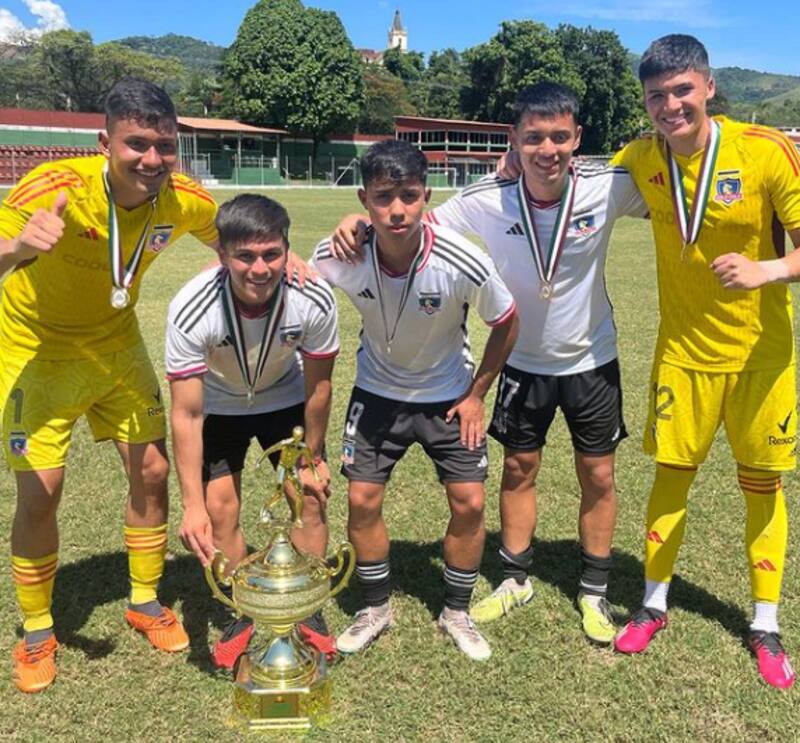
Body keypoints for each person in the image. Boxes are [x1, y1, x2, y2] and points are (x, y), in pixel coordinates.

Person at [331, 83, 647, 644]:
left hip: (593, 358)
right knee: (519, 470)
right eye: (533, 138)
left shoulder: (610, 186)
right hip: (520, 364)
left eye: (558, 137)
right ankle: (514, 577)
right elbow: (409, 217)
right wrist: (356, 224)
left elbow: (680, 202)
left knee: (597, 474)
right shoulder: (485, 197)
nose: (546, 149)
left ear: (577, 138)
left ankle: (594, 591)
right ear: (514, 141)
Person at [0, 79, 219, 693]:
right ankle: (38, 630)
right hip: (37, 350)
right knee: (41, 492)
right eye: (137, 144)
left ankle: (144, 601)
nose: (152, 160)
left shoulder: (179, 197)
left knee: (152, 472)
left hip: (117, 348)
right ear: (105, 142)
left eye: (165, 146)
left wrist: (280, 258)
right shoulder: (55, 188)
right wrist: (17, 247)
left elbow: (232, 229)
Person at [611, 34, 800, 690]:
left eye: (681, 91)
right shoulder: (640, 156)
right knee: (672, 477)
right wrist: (511, 168)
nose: (670, 106)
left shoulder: (764, 150)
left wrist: (767, 268)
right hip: (683, 356)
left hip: (761, 357)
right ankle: (653, 603)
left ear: (709, 87)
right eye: (657, 96)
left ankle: (766, 623)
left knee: (762, 486)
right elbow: (566, 181)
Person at [313, 139, 518, 660]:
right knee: (361, 500)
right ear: (364, 199)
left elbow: (506, 320)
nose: (397, 209)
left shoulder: (461, 259)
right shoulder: (344, 253)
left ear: (426, 195)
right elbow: (295, 277)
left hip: (449, 398)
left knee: (469, 502)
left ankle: (456, 610)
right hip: (376, 396)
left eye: (408, 195)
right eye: (383, 197)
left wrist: (477, 396)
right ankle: (375, 606)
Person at [166, 194, 339, 669]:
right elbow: (186, 414)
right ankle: (241, 610)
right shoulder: (191, 307)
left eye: (271, 254)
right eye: (244, 256)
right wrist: (191, 504)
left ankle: (307, 611)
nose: (259, 268)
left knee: (307, 498)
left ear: (287, 248)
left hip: (283, 401)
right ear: (221, 254)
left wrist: (313, 456)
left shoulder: (314, 297)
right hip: (219, 407)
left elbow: (319, 386)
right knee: (220, 510)